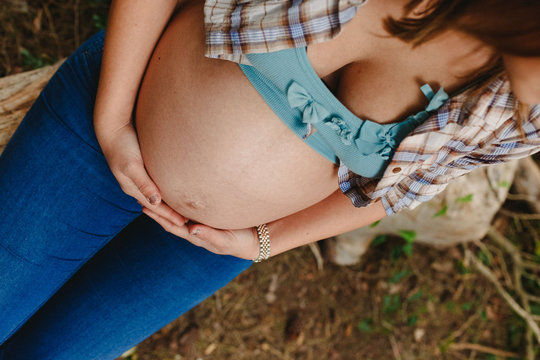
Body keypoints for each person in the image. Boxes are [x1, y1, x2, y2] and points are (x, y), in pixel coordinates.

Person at [0, 0, 539, 358]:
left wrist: (262, 242)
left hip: (204, 247)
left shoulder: (518, 106)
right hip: (101, 134)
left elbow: (408, 181)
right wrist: (113, 117)